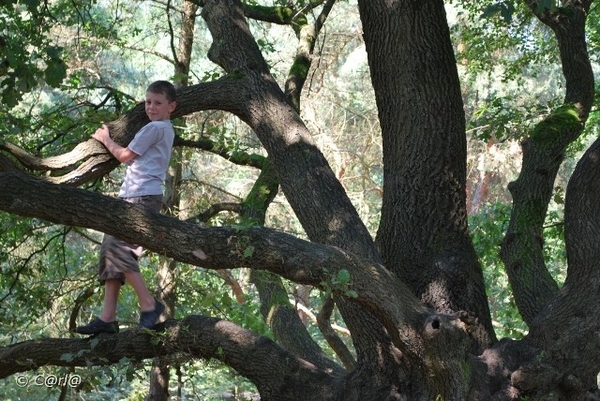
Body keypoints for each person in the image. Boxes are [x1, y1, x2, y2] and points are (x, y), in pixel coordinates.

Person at [75, 80, 177, 335]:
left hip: (142, 199)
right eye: (148, 102)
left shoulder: (155, 129)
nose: (151, 107)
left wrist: (105, 138)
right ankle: (107, 318)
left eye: (158, 103)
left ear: (171, 106)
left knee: (121, 252)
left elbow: (124, 156)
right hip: (132, 196)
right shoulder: (162, 129)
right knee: (111, 251)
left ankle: (150, 305)